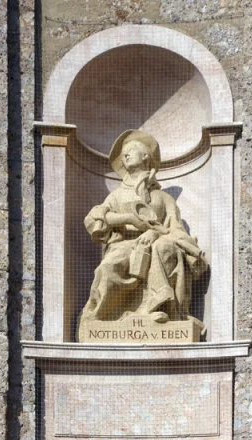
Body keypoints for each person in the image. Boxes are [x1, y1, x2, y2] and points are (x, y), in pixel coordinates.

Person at [78, 130, 208, 337]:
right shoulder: (117, 195)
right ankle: (99, 317)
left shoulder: (162, 198)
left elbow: (176, 230)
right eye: (123, 154)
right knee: (108, 267)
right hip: (123, 245)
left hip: (155, 244)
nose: (125, 156)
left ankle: (161, 308)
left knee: (165, 248)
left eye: (130, 151)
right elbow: (95, 219)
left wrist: (155, 235)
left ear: (146, 156)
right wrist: (128, 219)